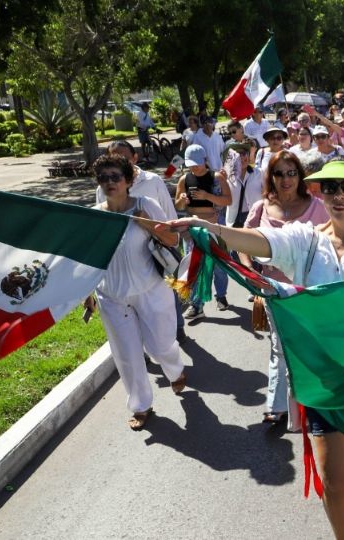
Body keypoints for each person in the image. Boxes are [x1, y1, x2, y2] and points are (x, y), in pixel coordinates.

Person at [165, 158, 344, 540]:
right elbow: (261, 241)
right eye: (330, 187)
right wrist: (210, 227)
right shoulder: (305, 239)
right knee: (336, 481)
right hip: (322, 379)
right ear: (321, 193)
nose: (339, 195)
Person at [88, 154, 186, 430]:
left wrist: (146, 223)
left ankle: (175, 369)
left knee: (161, 345)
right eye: (103, 178)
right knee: (127, 354)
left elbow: (173, 239)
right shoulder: (94, 215)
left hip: (150, 289)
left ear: (128, 181)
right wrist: (87, 293)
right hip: (112, 295)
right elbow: (90, 257)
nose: (109, 182)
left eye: (115, 177)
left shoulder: (146, 205)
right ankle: (141, 405)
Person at [239, 151, 329, 427]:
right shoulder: (261, 208)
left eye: (291, 172)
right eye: (279, 173)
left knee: (311, 345)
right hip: (273, 290)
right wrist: (250, 271)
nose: (286, 179)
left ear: (300, 176)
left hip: (310, 290)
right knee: (279, 346)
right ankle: (277, 406)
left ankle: (316, 398)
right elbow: (244, 240)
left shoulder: (318, 206)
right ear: (271, 177)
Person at [99, 140, 187, 343]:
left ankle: (176, 327)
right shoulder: (103, 188)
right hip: (126, 261)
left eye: (124, 158)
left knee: (165, 290)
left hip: (156, 250)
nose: (119, 162)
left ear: (135, 157)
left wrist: (168, 233)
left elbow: (169, 213)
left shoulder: (152, 180)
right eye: (114, 158)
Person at [174, 145, 232, 319]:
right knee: (194, 265)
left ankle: (221, 295)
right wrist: (182, 200)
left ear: (204, 160)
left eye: (197, 164)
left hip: (215, 225)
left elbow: (228, 200)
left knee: (219, 265)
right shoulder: (184, 179)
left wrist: (207, 196)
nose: (194, 168)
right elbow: (177, 204)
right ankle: (196, 304)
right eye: (191, 164)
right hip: (193, 229)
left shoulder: (217, 177)